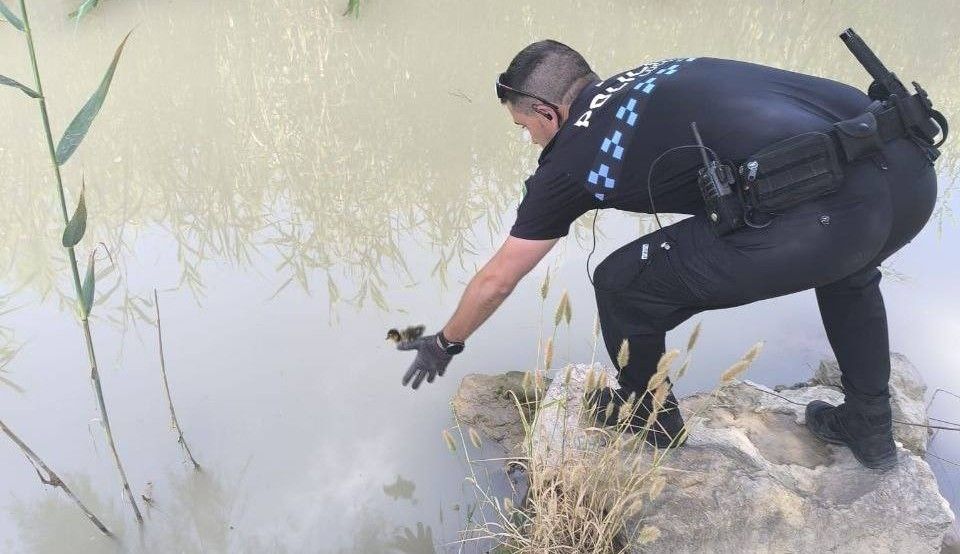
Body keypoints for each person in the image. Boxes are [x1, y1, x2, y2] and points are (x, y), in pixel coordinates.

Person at [396, 39, 941, 470]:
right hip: (910, 171)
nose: (531, 142)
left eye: (525, 129)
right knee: (847, 266)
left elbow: (498, 278)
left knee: (621, 284)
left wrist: (445, 343)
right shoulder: (657, 71)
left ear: (546, 112)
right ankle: (870, 427)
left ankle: (648, 415)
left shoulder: (570, 159)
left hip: (835, 213)